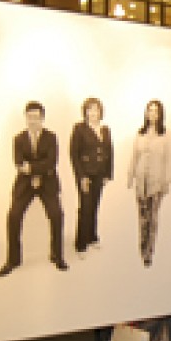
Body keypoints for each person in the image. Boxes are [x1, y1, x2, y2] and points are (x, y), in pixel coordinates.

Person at [0, 101, 68, 277]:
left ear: (42, 118)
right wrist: (35, 170)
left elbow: (52, 162)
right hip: (24, 184)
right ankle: (13, 260)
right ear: (25, 118)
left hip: (48, 183)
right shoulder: (18, 138)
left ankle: (57, 255)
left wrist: (34, 170)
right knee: (13, 216)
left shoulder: (51, 137)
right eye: (29, 117)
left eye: (36, 117)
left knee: (57, 215)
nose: (33, 120)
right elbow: (19, 163)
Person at [128, 99, 171, 266]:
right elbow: (134, 156)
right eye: (150, 110)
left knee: (153, 217)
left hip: (157, 182)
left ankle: (149, 252)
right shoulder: (140, 133)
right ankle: (142, 248)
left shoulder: (165, 134)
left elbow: (169, 158)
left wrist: (168, 180)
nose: (152, 113)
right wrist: (130, 175)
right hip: (141, 181)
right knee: (142, 217)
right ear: (146, 113)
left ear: (160, 114)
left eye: (156, 111)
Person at [70, 97, 113, 255]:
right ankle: (80, 244)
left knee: (95, 205)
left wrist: (108, 173)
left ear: (100, 111)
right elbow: (74, 154)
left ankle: (92, 237)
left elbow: (109, 151)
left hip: (100, 174)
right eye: (90, 109)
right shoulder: (79, 128)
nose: (93, 113)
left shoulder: (105, 129)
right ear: (85, 112)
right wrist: (81, 176)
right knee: (85, 207)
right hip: (85, 174)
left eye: (96, 109)